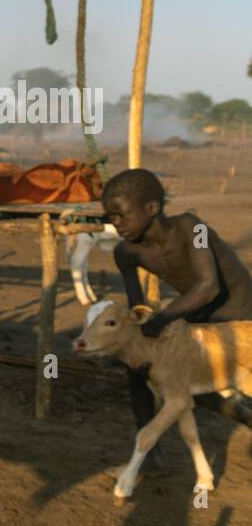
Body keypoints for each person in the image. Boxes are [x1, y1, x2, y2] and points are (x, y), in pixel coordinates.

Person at [102, 167, 252, 433]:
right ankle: (150, 458)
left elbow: (209, 286)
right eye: (111, 217)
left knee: (199, 374)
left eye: (122, 215)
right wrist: (136, 343)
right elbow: (139, 309)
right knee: (142, 370)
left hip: (240, 312)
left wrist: (161, 320)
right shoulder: (126, 253)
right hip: (199, 316)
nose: (117, 224)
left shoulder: (194, 227)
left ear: (152, 207)